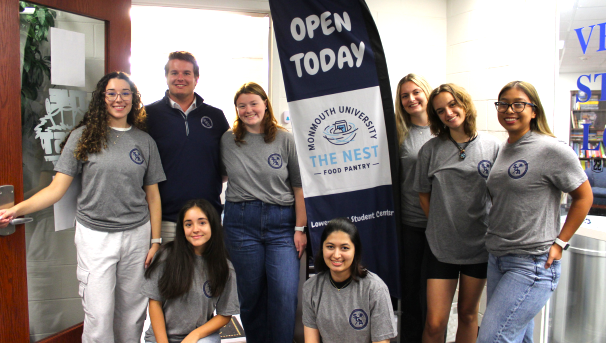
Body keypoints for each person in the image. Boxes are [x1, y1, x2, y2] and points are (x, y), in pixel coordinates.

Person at [0, 71, 165, 343]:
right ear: (102, 98)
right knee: (99, 318)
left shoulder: (145, 142)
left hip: (137, 236)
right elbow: (55, 189)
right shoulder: (83, 137)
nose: (119, 99)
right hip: (95, 237)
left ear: (133, 99)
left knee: (132, 316)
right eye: (111, 93)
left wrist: (155, 241)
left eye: (125, 93)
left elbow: (153, 196)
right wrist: (17, 210)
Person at [477, 81, 593, 343]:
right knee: (520, 337)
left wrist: (560, 243)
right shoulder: (505, 148)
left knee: (492, 339)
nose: (510, 109)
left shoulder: (551, 149)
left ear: (534, 111)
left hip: (532, 263)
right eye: (503, 103)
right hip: (498, 257)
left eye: (519, 103)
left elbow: (584, 197)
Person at [221, 82, 307, 343]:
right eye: (242, 106)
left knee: (284, 292)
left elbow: (299, 188)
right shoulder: (228, 139)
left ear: (265, 104)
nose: (248, 110)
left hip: (282, 223)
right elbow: (221, 174)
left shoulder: (285, 138)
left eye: (254, 103)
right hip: (240, 222)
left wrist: (300, 228)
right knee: (251, 294)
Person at [414, 83, 500, 343]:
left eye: (453, 104)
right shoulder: (430, 150)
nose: (448, 113)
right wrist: (440, 223)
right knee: (435, 322)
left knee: (468, 314)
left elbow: (499, 195)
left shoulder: (492, 146)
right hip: (441, 247)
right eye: (440, 110)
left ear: (464, 103)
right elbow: (423, 193)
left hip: (479, 246)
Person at [146, 51, 229, 243]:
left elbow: (226, 167)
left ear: (196, 78)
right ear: (166, 77)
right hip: (165, 220)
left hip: (208, 218)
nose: (180, 78)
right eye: (174, 73)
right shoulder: (148, 115)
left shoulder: (216, 116)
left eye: (186, 73)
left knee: (209, 273)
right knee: (168, 273)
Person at [143, 199, 239, 343]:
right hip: (161, 338)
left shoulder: (225, 268)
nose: (195, 229)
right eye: (188, 224)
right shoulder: (166, 256)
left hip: (200, 338)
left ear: (213, 225)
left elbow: (224, 315)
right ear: (182, 229)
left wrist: (195, 335)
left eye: (202, 222)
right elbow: (154, 303)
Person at [302, 218, 397, 343]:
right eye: (330, 247)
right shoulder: (311, 288)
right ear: (322, 249)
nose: (336, 255)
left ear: (355, 251)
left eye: (344, 248)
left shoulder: (375, 288)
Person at [394, 73, 433, 343]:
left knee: (435, 296)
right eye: (405, 95)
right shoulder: (398, 134)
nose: (411, 99)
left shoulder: (446, 129)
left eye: (416, 92)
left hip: (442, 227)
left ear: (427, 93)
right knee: (409, 295)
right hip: (410, 224)